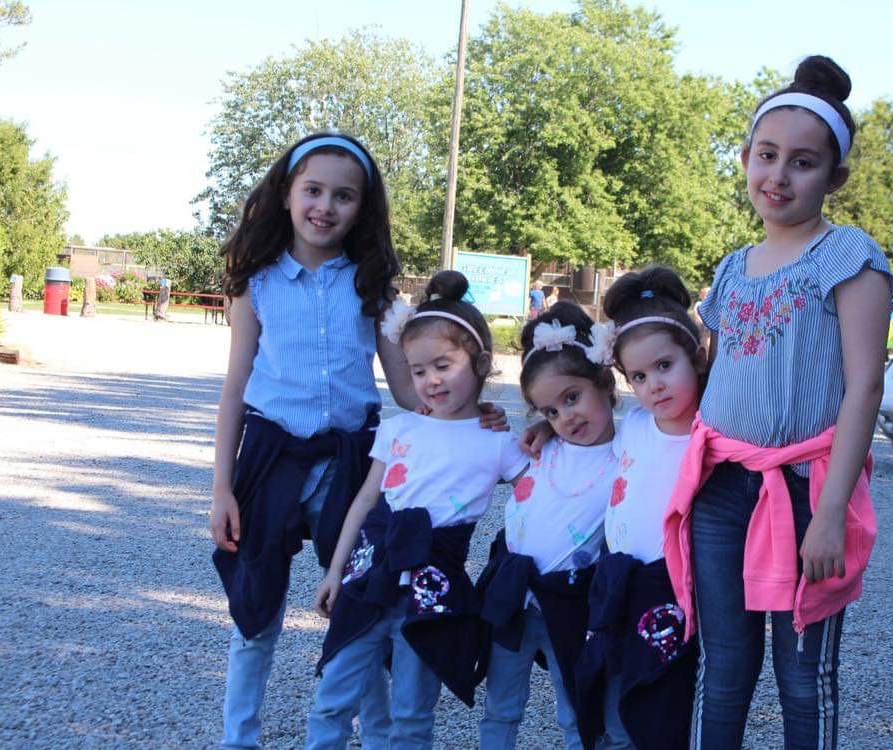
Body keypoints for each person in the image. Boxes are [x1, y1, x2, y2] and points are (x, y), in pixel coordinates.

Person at [207, 133, 504, 750]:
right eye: (313, 191)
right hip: (269, 455)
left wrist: (473, 411)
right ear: (286, 194)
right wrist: (221, 489)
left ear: (361, 207)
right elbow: (235, 387)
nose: (325, 206)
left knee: (362, 604)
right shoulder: (256, 284)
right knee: (254, 611)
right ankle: (239, 738)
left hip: (351, 457)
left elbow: (412, 392)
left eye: (343, 196)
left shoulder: (372, 288)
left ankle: (380, 738)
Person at [662, 56, 893, 749]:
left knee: (802, 676)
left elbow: (865, 387)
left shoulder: (847, 255)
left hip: (804, 492)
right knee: (723, 667)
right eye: (766, 156)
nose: (779, 175)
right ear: (744, 159)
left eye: (803, 162)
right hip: (721, 490)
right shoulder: (733, 268)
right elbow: (712, 379)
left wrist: (830, 515)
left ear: (834, 178)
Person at [308, 270, 528, 749]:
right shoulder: (399, 429)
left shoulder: (497, 441)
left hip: (432, 593)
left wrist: (544, 429)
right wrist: (335, 572)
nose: (431, 380)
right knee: (332, 697)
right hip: (369, 578)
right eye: (418, 370)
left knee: (412, 714)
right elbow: (365, 501)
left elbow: (541, 490)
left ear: (481, 363)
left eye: (443, 365)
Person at [476, 301, 619, 750]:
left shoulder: (632, 448)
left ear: (605, 381)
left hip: (572, 604)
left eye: (572, 398)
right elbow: (475, 442)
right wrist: (493, 417)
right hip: (515, 597)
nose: (565, 417)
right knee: (500, 708)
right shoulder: (539, 447)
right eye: (551, 411)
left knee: (576, 708)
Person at [575, 267, 705, 750]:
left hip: (671, 588)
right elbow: (584, 437)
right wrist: (544, 428)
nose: (654, 385)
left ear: (696, 356)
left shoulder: (711, 435)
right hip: (617, 582)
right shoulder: (632, 425)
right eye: (639, 376)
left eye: (665, 365)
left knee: (662, 702)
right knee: (615, 694)